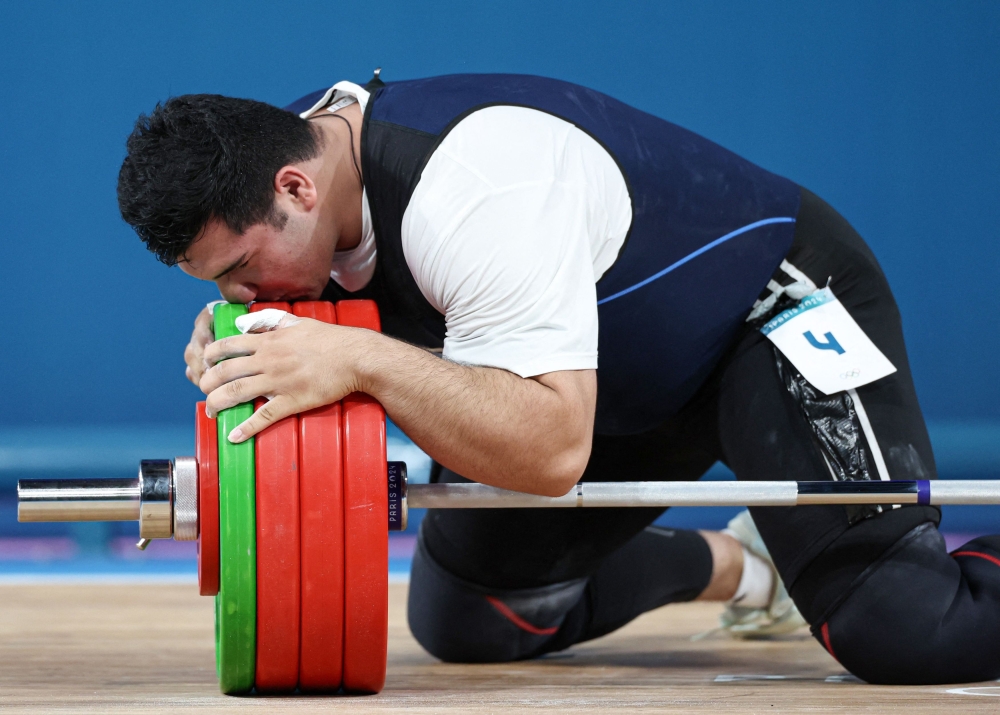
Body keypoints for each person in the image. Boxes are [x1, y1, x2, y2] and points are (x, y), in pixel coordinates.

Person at [117, 71, 1000, 685]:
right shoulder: (280, 157)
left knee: (905, 626)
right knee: (475, 618)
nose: (239, 295)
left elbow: (550, 454)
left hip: (760, 315)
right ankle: (750, 568)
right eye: (217, 284)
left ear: (297, 190)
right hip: (601, 375)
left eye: (239, 270)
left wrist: (359, 359)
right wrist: (239, 337)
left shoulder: (472, 190)